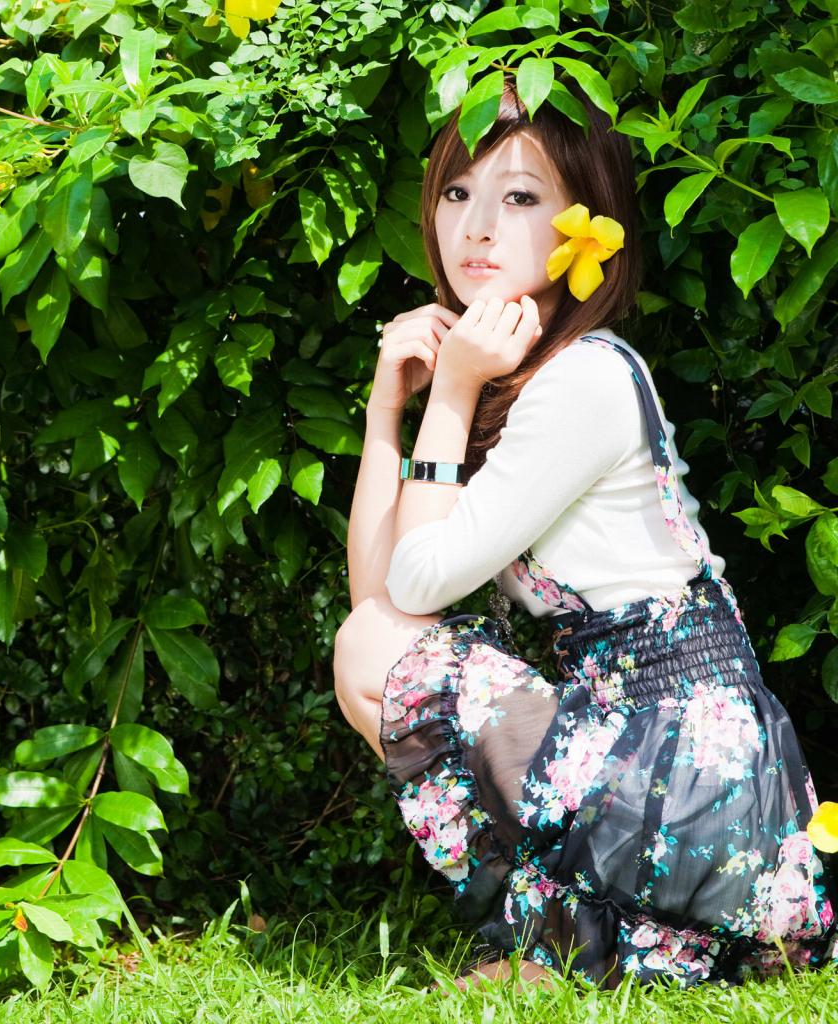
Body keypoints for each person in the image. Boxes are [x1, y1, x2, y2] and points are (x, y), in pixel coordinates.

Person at [332, 80, 838, 991]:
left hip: (697, 782)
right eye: (457, 193)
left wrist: (451, 391)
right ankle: (584, 942)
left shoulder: (587, 378)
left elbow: (409, 593)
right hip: (649, 762)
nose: (476, 227)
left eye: (520, 197)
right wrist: (386, 412)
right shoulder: (522, 382)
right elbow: (381, 596)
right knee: (369, 641)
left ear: (586, 228)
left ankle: (573, 942)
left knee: (374, 645)